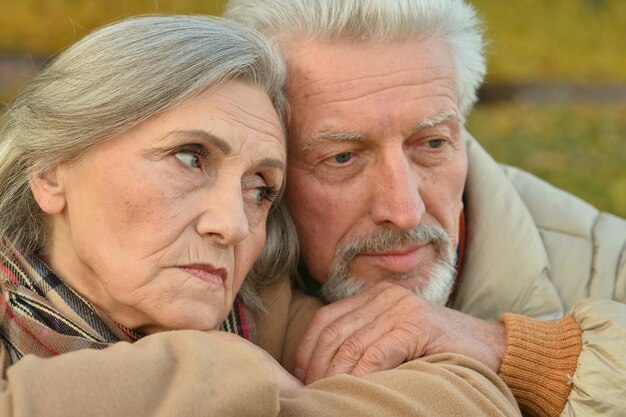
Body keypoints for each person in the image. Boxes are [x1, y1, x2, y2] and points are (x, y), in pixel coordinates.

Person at [0, 14, 521, 417]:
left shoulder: (263, 310)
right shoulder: (242, 353)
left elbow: (470, 396)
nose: (233, 224)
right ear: (50, 171)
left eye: (260, 188)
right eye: (190, 157)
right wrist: (219, 368)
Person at [223, 1, 626, 416]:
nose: (405, 211)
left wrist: (527, 355)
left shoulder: (610, 263)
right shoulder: (205, 274)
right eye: (342, 157)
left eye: (432, 144)